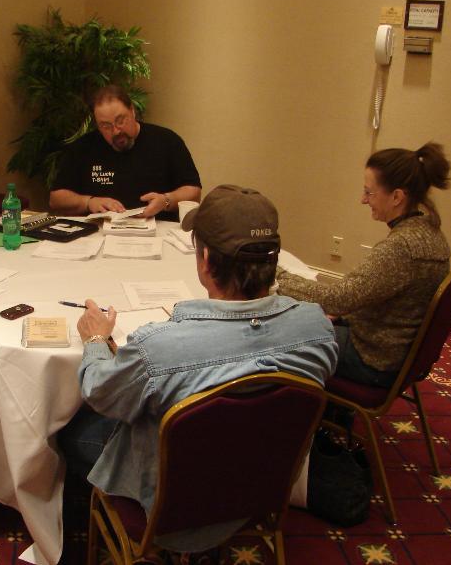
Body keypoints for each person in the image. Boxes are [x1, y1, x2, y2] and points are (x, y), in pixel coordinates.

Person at [58, 185, 337, 553]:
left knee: (71, 432)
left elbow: (101, 394)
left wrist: (96, 340)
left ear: (205, 260)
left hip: (168, 513)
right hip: (259, 494)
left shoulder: (157, 347)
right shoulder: (317, 328)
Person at [277, 142, 451, 389]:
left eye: (369, 193)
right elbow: (363, 296)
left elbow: (337, 299)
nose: (363, 200)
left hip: (372, 359)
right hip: (394, 350)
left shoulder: (401, 248)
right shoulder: (430, 233)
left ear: (397, 197)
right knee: (308, 317)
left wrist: (276, 276)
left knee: (276, 333)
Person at [49, 85, 202, 219]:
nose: (116, 131)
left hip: (158, 230)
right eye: (106, 126)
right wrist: (88, 202)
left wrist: (166, 200)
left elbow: (193, 192)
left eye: (121, 120)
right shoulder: (83, 148)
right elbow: (56, 199)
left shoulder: (167, 141)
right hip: (99, 233)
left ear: (132, 111)